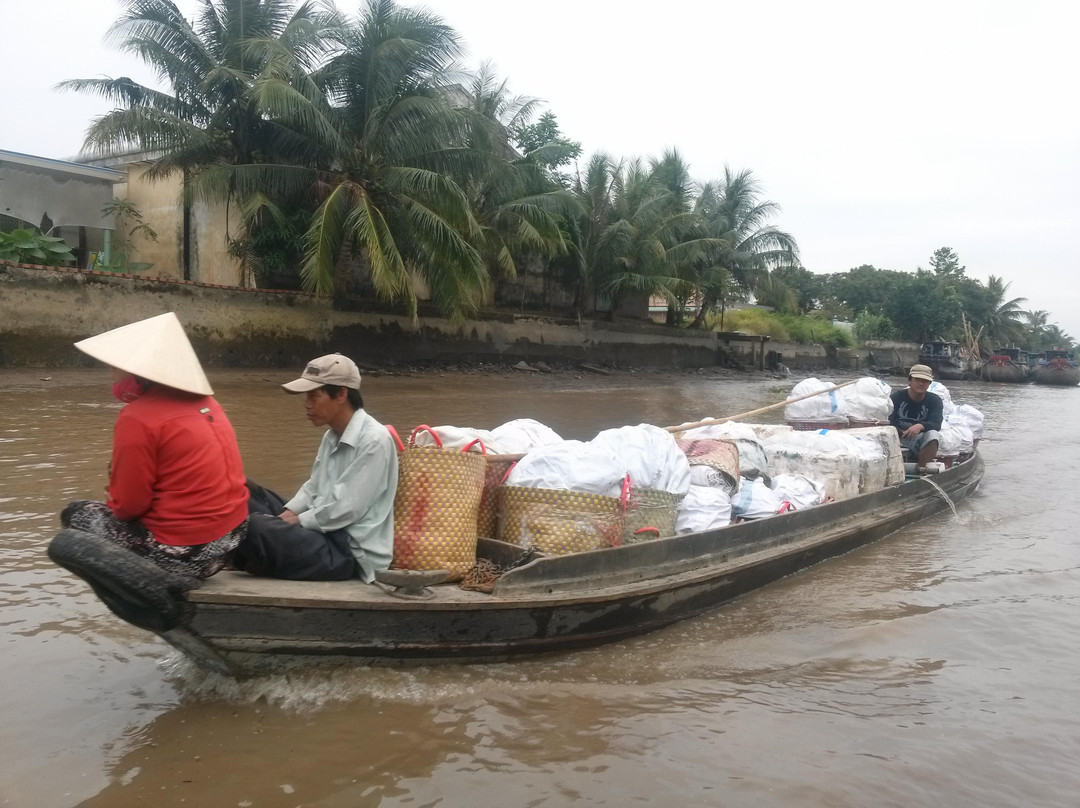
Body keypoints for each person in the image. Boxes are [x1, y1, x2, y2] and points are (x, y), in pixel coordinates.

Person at [61, 312, 249, 578]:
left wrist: (117, 498)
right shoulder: (208, 403)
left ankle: (148, 588)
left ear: (140, 372)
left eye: (117, 366)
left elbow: (128, 507)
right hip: (232, 539)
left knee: (77, 514)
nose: (111, 373)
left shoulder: (137, 417)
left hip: (190, 554)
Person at [234, 354, 398, 582]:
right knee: (239, 490)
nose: (307, 405)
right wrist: (283, 517)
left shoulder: (375, 440)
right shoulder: (331, 435)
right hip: (320, 528)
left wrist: (284, 523)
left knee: (253, 528)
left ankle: (252, 550)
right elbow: (313, 488)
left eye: (314, 396)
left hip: (346, 549)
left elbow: (346, 509)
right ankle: (256, 549)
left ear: (341, 394)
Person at [889, 363, 943, 469]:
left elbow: (936, 424)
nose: (921, 383)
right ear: (910, 381)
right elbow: (889, 420)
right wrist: (900, 433)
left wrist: (920, 426)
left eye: (925, 381)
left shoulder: (934, 400)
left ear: (929, 384)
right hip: (897, 438)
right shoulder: (896, 397)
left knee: (933, 434)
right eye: (917, 380)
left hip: (919, 441)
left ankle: (921, 470)